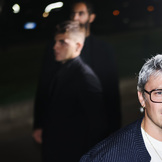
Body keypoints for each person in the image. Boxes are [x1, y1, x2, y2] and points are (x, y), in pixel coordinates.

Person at [33, 20, 109, 162]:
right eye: (55, 41)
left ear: (77, 45)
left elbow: (97, 131)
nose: (55, 46)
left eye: (62, 42)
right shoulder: (63, 71)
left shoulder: (86, 79)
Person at [33, 0, 121, 136]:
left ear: (91, 17)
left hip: (96, 125)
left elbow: (112, 91)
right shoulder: (56, 47)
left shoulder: (104, 50)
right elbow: (44, 86)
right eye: (73, 14)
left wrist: (115, 130)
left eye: (81, 14)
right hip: (63, 125)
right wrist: (39, 123)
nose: (75, 18)